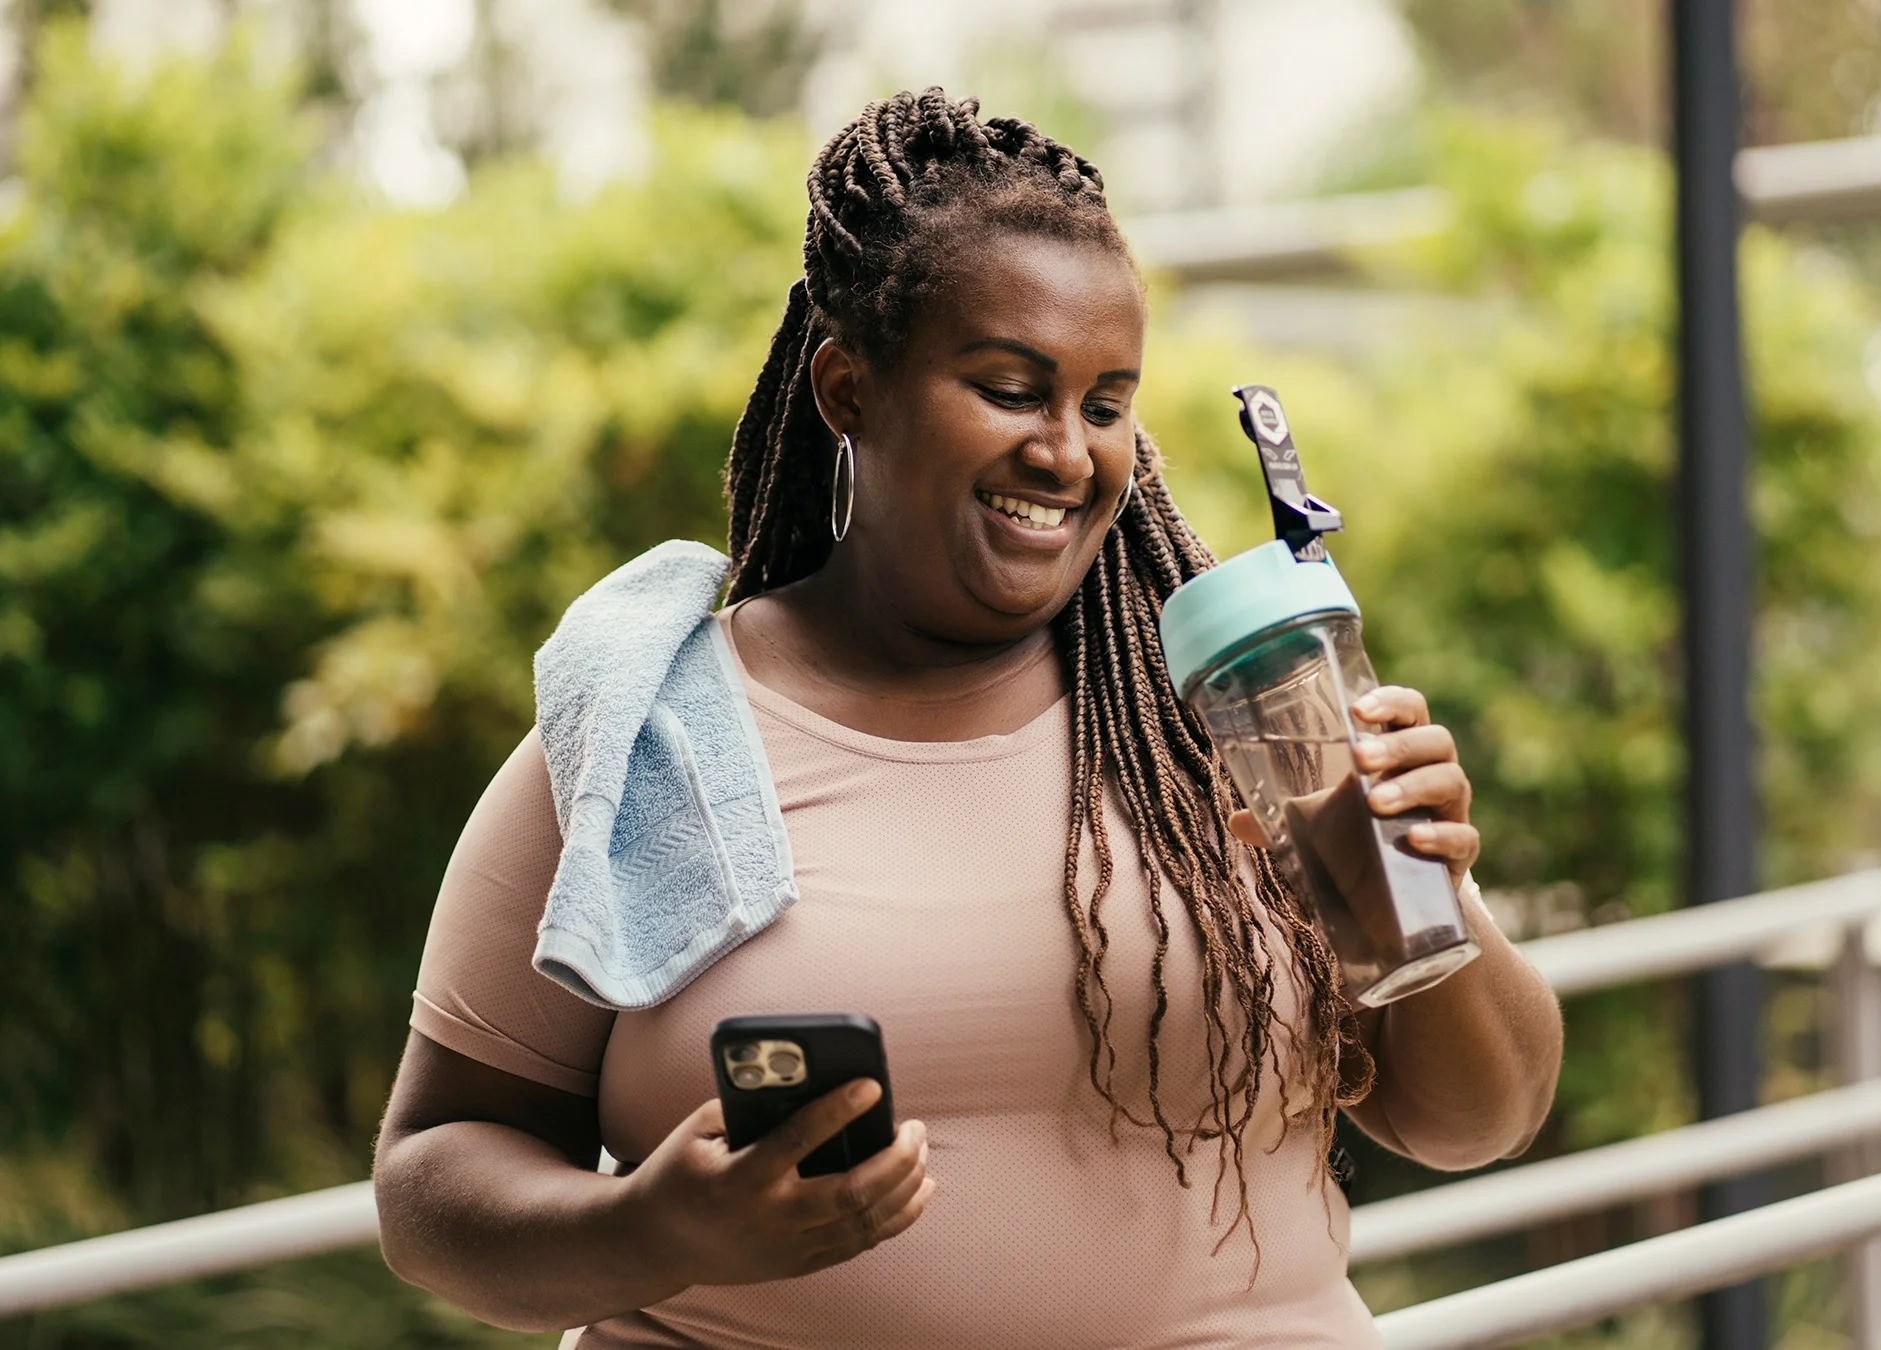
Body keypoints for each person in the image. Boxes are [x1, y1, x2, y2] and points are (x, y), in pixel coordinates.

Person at [372, 89, 1563, 1350]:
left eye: (1107, 404)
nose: (1066, 451)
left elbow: (1476, 1118)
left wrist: (1413, 898)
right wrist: (654, 1233)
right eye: (1010, 388)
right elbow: (432, 1177)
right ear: (848, 389)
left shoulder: (1230, 720)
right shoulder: (657, 736)